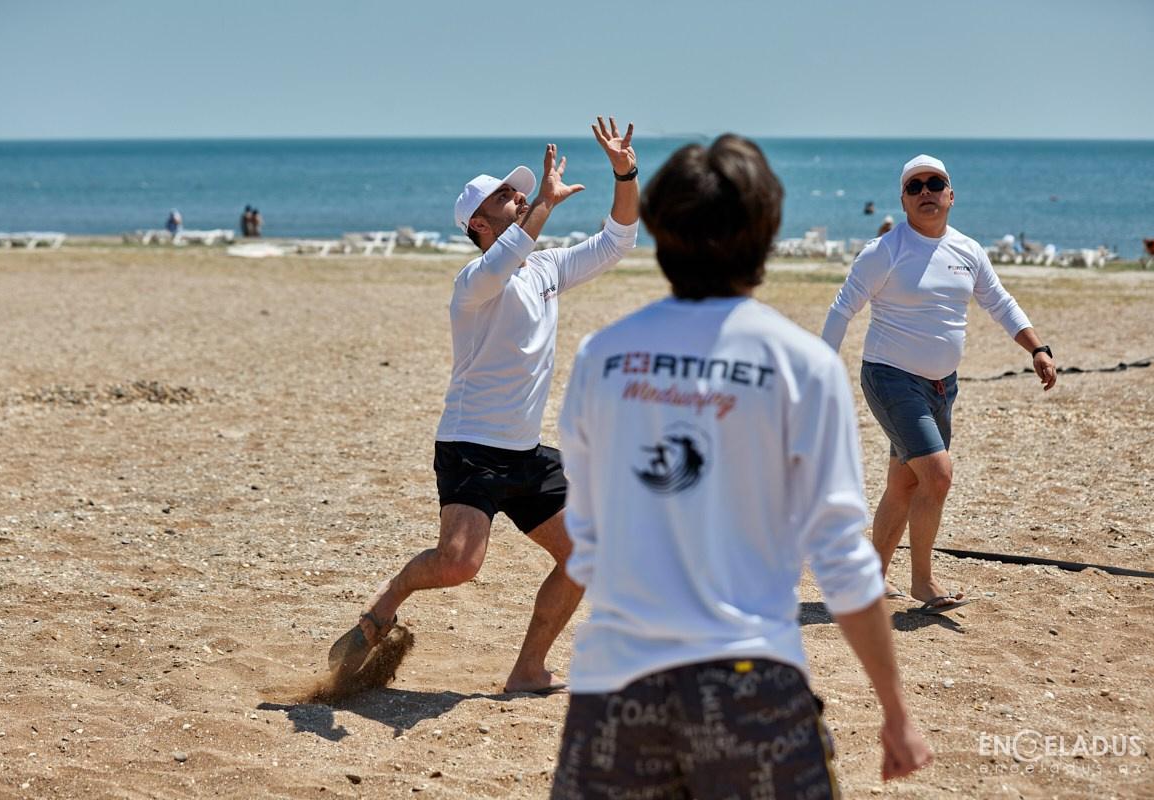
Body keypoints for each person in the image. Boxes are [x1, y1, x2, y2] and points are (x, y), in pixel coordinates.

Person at [550, 135, 931, 798]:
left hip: (613, 684)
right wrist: (895, 711)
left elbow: (587, 530)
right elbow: (841, 557)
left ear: (659, 230)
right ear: (766, 233)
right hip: (751, 681)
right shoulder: (802, 365)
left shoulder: (602, 356)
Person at [328, 117, 639, 695]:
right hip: (471, 447)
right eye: (505, 196)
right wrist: (544, 204)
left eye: (519, 192)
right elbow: (506, 258)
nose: (518, 197)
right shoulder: (473, 282)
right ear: (478, 223)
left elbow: (618, 240)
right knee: (459, 565)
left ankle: (528, 669)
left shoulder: (546, 269)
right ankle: (391, 596)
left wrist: (625, 173)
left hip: (525, 453)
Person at [821, 154, 1057, 615]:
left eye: (935, 183)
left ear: (951, 195)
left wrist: (1037, 348)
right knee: (938, 474)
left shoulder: (968, 250)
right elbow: (842, 308)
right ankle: (923, 582)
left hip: (943, 386)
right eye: (915, 186)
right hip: (890, 378)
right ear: (903, 201)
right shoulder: (885, 250)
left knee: (905, 483)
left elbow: (1000, 302)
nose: (925, 191)